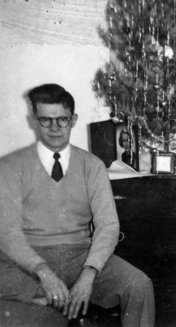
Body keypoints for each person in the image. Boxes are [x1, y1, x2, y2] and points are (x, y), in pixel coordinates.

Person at [0, 84, 155, 327]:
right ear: (33, 121)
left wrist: (89, 272)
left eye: (62, 119)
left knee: (138, 285)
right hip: (29, 260)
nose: (54, 128)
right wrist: (43, 273)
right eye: (45, 120)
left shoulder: (92, 166)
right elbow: (7, 233)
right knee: (33, 313)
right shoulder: (10, 167)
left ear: (73, 120)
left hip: (80, 256)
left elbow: (108, 225)